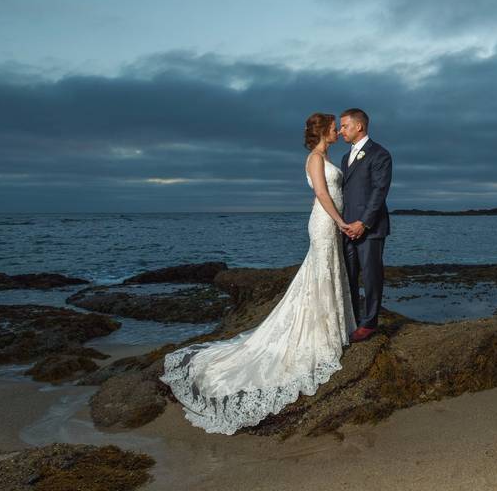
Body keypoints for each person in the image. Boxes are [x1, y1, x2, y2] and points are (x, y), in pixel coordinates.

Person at [158, 113, 357, 435]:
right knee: (319, 274)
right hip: (324, 222)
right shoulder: (315, 158)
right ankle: (320, 336)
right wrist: (341, 222)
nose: (338, 131)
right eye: (334, 127)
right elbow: (322, 194)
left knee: (326, 274)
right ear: (323, 131)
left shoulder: (326, 156)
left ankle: (330, 328)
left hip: (330, 222)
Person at [338, 108, 393, 342]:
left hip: (370, 228)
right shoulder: (344, 157)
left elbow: (379, 192)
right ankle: (353, 319)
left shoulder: (380, 154)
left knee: (371, 277)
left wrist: (363, 223)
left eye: (344, 126)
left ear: (359, 126)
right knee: (349, 276)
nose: (340, 131)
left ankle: (369, 324)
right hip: (346, 228)